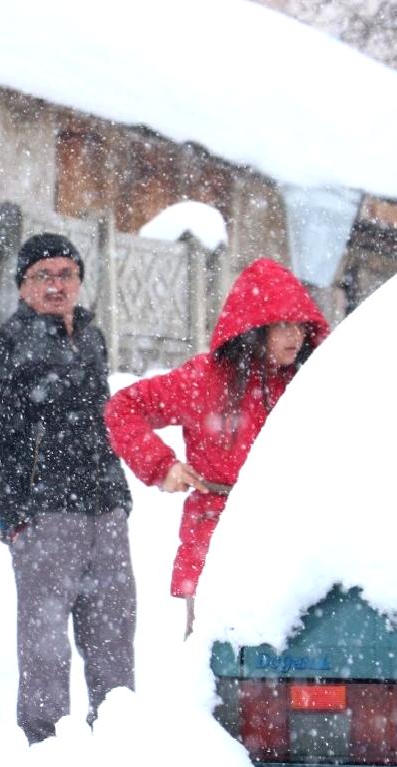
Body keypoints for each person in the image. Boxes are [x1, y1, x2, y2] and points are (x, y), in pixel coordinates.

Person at [0, 233, 138, 745]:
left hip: (105, 509)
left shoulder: (92, 340)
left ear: (80, 282)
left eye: (66, 274)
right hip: (45, 516)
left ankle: (118, 740)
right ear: (23, 286)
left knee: (114, 641)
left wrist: (120, 497)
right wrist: (16, 511)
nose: (56, 285)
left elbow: (103, 422)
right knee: (45, 648)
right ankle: (45, 749)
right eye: (43, 276)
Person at [104, 258, 329, 637]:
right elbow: (124, 407)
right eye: (282, 325)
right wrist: (162, 466)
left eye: (300, 325)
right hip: (217, 542)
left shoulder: (310, 381)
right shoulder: (206, 379)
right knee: (216, 662)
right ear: (255, 329)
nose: (295, 336)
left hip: (292, 543)